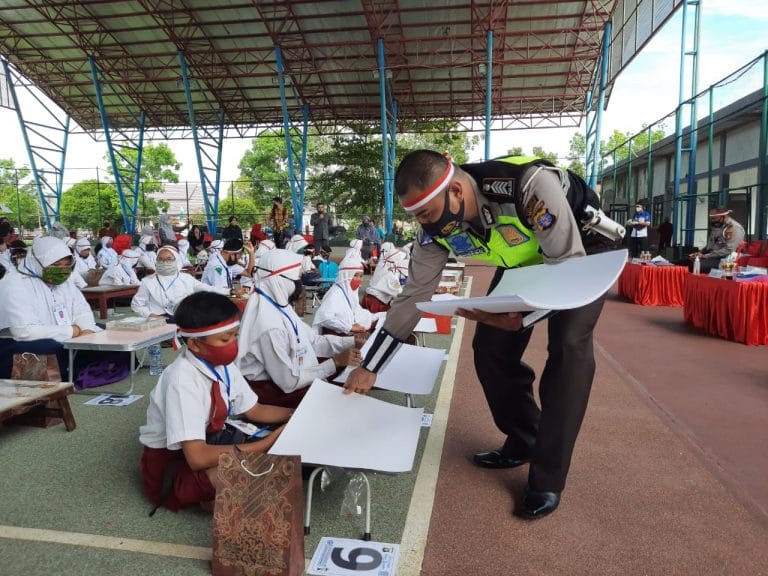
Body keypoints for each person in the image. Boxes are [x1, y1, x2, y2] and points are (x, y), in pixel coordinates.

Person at [344, 150, 624, 519]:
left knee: (570, 348)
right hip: (526, 260)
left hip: (582, 256)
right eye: (416, 217)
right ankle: (525, 438)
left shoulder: (529, 187)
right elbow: (413, 296)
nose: (423, 224)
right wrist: (370, 366)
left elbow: (567, 272)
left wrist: (523, 319)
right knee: (490, 347)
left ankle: (547, 479)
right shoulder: (433, 231)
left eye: (426, 213)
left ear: (456, 191)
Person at [138, 292, 292, 513]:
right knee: (257, 473)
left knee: (272, 462)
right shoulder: (181, 381)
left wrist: (296, 415)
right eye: (225, 339)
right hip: (174, 463)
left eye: (235, 336)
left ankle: (217, 494)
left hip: (208, 441)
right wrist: (264, 445)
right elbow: (197, 457)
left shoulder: (223, 365)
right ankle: (199, 495)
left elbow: (255, 410)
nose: (234, 344)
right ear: (195, 344)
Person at [237, 249, 362, 408]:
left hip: (287, 380)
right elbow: (289, 381)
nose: (299, 283)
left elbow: (313, 341)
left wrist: (353, 341)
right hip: (272, 392)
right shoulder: (268, 325)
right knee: (341, 399)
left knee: (349, 383)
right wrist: (335, 362)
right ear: (279, 280)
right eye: (296, 277)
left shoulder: (279, 306)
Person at [0, 236, 100, 379]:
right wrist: (72, 331)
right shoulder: (13, 284)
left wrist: (86, 331)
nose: (61, 270)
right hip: (18, 343)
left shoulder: (64, 281)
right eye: (56, 265)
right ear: (38, 262)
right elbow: (24, 331)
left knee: (103, 332)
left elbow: (81, 310)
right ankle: (71, 373)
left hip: (68, 334)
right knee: (49, 348)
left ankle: (83, 369)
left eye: (66, 265)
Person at [131, 246, 243, 319]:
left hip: (184, 317)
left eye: (169, 259)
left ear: (176, 260)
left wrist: (231, 291)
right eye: (161, 259)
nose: (164, 262)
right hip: (158, 320)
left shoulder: (186, 278)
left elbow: (207, 288)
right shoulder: (147, 282)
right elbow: (137, 305)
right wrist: (152, 315)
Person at [312, 253, 385, 335]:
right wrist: (349, 327)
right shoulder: (335, 293)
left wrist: (378, 316)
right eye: (356, 275)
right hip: (337, 336)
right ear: (346, 276)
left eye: (361, 276)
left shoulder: (350, 292)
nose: (360, 279)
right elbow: (324, 318)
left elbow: (357, 313)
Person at [687, 206, 745, 273]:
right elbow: (710, 246)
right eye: (711, 218)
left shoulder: (735, 228)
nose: (712, 221)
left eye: (714, 218)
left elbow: (728, 250)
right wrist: (699, 253)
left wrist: (705, 256)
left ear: (724, 216)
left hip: (723, 259)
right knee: (685, 261)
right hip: (711, 255)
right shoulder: (718, 225)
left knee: (695, 266)